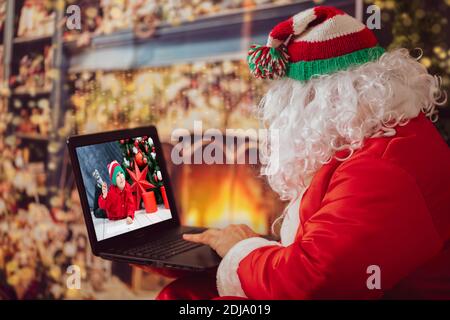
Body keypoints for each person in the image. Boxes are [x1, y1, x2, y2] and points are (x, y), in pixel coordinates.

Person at [140, 5, 450, 299]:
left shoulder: (381, 169)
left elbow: (312, 283)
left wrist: (242, 250)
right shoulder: (380, 137)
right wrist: (234, 247)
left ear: (318, 100)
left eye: (288, 100)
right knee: (185, 292)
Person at [98, 160, 135, 224]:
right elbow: (103, 206)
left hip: (122, 215)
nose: (121, 177)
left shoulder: (128, 187)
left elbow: (131, 204)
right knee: (97, 212)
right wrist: (104, 196)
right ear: (114, 180)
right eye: (117, 175)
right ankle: (97, 187)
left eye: (121, 173)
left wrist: (130, 216)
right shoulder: (111, 192)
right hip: (112, 216)